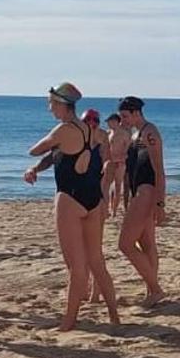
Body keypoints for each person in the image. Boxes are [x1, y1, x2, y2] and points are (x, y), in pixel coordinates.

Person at [25, 83, 119, 330]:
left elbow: (35, 149)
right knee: (97, 262)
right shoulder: (91, 130)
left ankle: (68, 322)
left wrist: (45, 147)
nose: (49, 109)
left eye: (51, 104)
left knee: (76, 267)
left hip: (70, 199)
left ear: (61, 104)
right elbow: (58, 156)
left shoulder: (63, 129)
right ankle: (114, 315)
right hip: (93, 198)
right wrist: (36, 169)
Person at [117, 96, 165, 306]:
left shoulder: (149, 132)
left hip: (147, 191)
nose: (123, 120)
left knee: (125, 244)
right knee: (146, 244)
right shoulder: (135, 133)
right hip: (138, 190)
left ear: (136, 112)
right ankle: (152, 292)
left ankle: (155, 289)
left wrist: (160, 204)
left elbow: (159, 170)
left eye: (125, 116)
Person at [104, 113, 130, 216]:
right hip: (110, 161)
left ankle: (114, 210)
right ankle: (107, 208)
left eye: (110, 122)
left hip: (120, 162)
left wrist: (122, 160)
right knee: (107, 186)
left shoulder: (124, 134)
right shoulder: (108, 133)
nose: (108, 124)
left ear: (115, 122)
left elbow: (127, 149)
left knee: (118, 186)